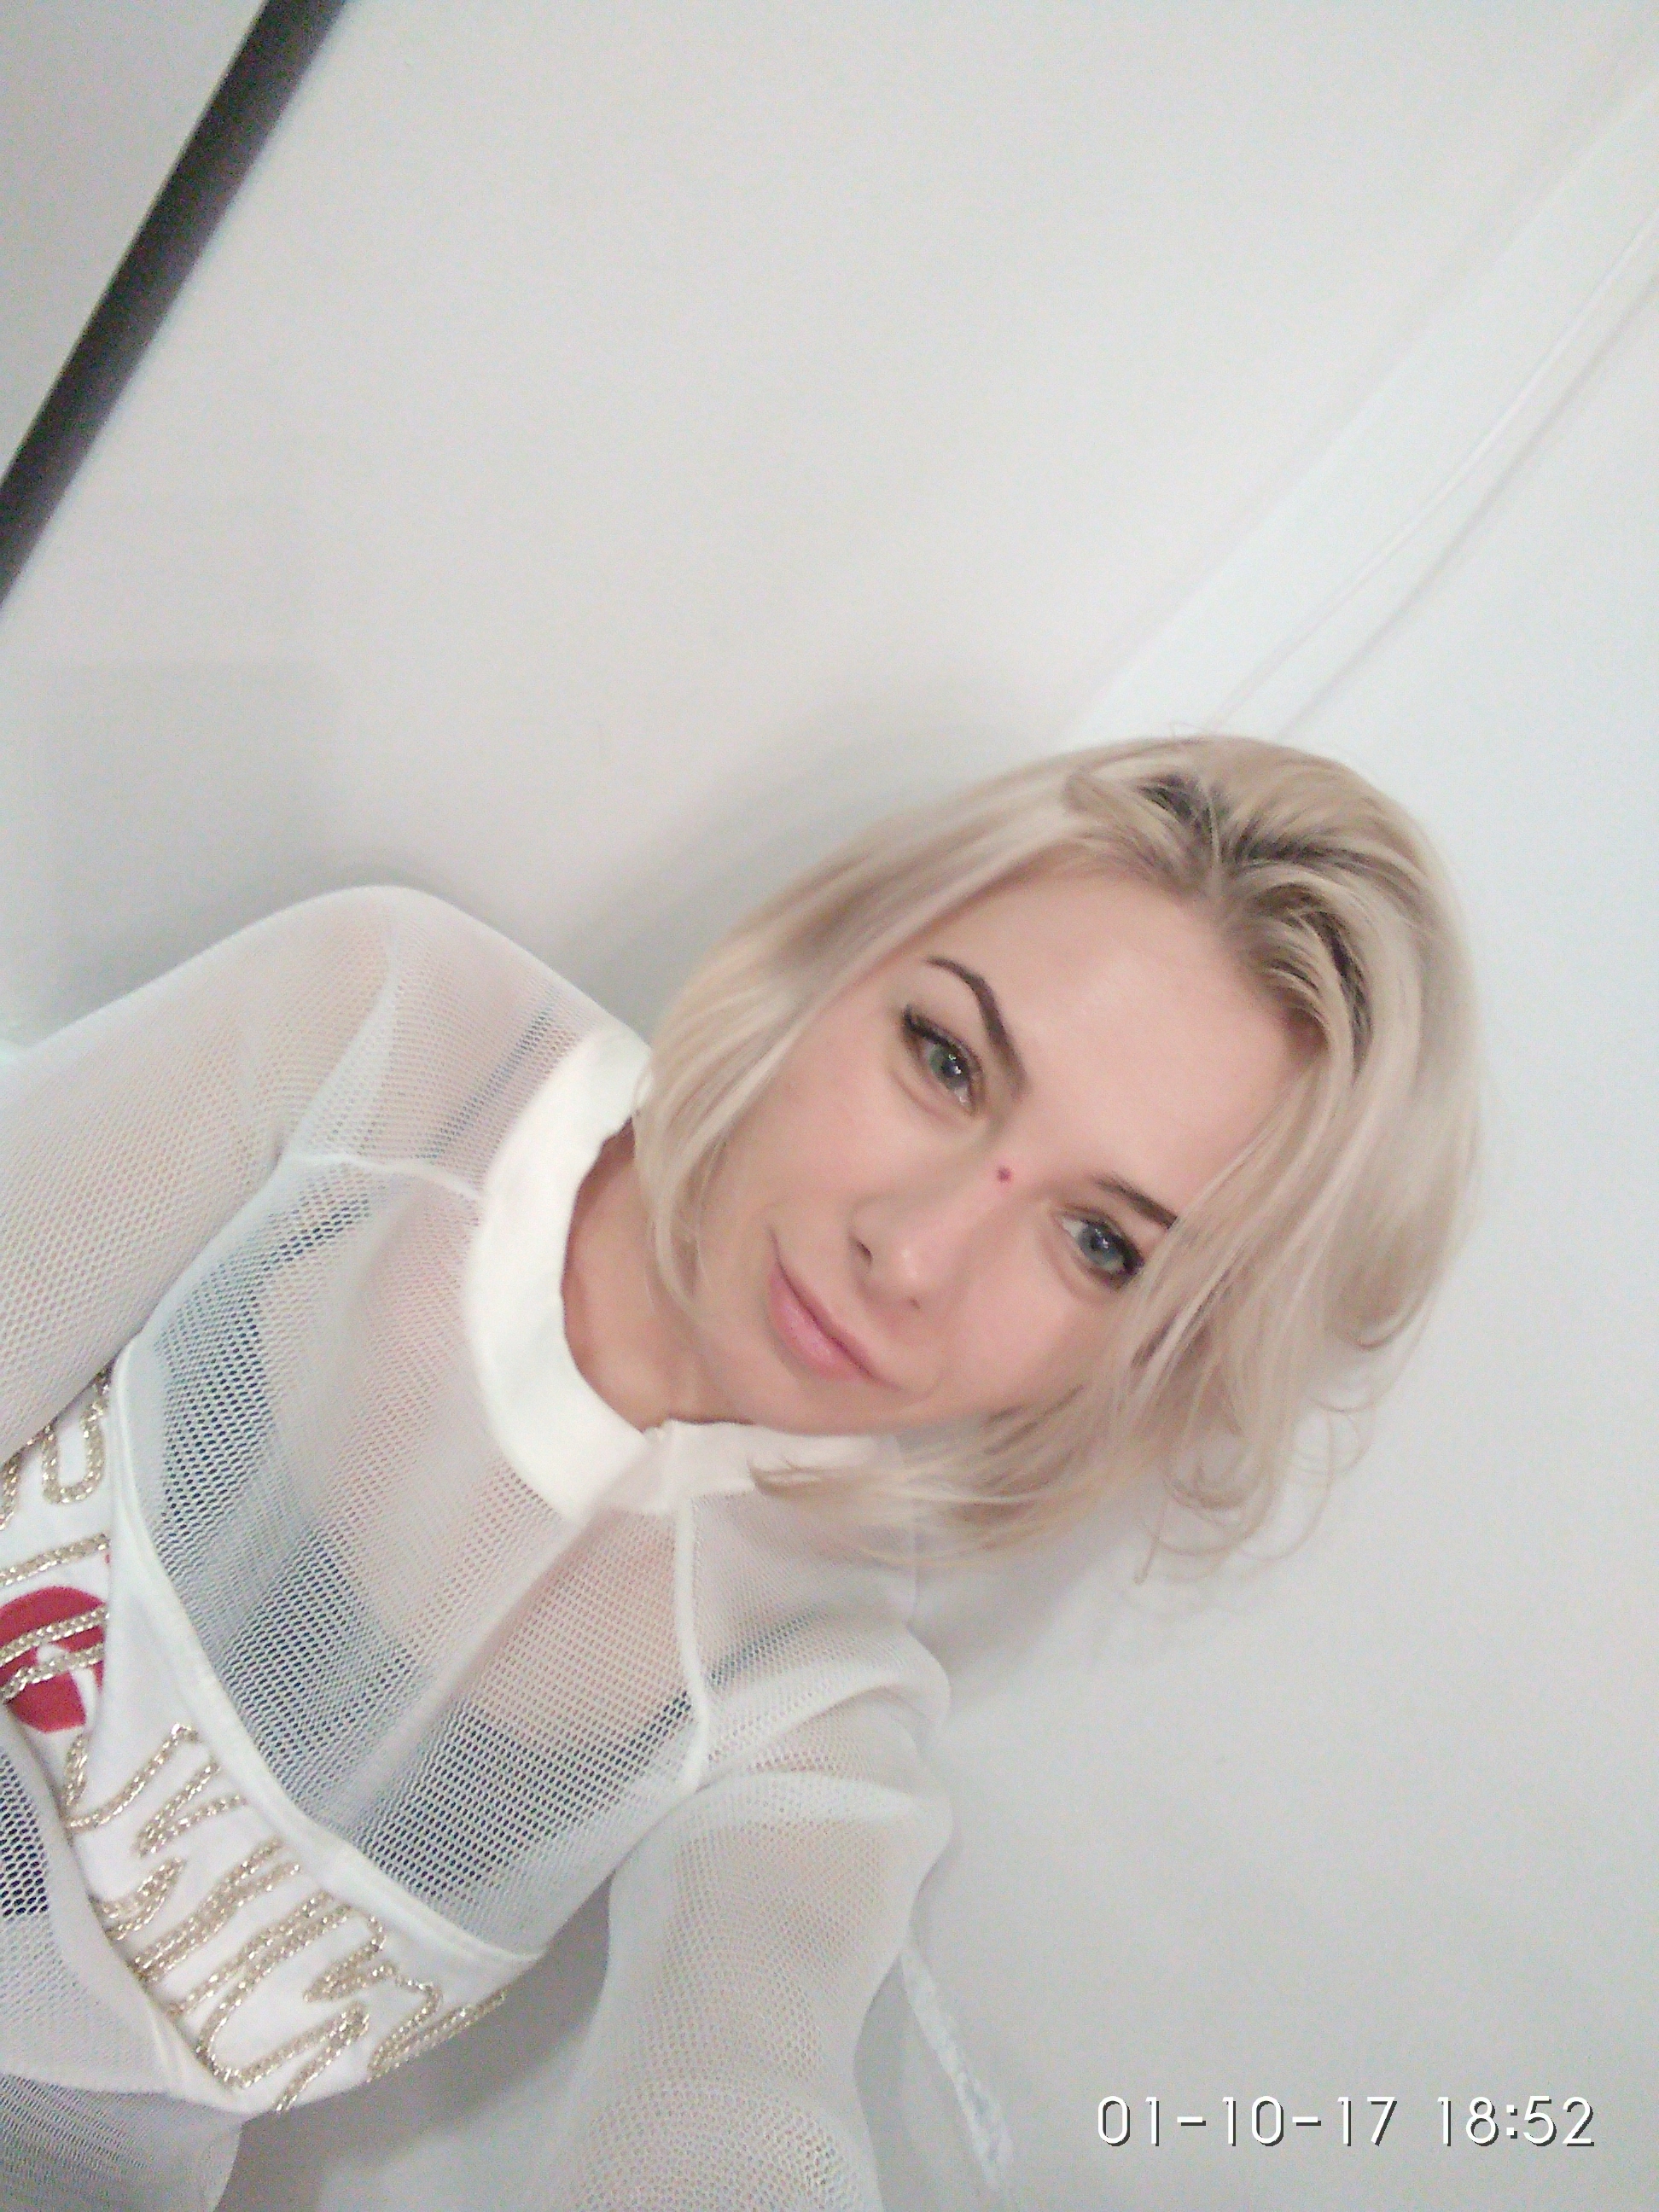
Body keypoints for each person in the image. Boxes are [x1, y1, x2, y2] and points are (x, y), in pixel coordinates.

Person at [0, 736, 1476, 2209]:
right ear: (843, 950)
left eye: (1102, 1243)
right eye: (946, 1060)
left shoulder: (807, 1702)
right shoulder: (388, 1043)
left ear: (1152, 1356)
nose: (913, 1250)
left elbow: (738, 2111)